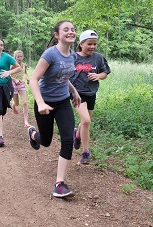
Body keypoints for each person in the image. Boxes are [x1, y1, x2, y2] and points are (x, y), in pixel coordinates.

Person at [27, 20, 81, 198]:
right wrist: (41, 103)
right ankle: (33, 134)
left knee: (67, 139)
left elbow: (64, 78)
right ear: (57, 35)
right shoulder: (50, 54)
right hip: (44, 102)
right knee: (46, 141)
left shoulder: (72, 55)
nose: (71, 32)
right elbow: (34, 79)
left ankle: (59, 184)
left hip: (63, 102)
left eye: (72, 29)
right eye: (66, 29)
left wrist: (74, 91)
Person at [70, 30, 111, 164]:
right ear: (81, 44)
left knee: (85, 122)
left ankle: (77, 135)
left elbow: (105, 72)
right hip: (77, 93)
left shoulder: (98, 58)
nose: (92, 47)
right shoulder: (72, 57)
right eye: (89, 44)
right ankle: (85, 152)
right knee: (86, 121)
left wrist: (98, 76)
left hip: (91, 93)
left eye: (95, 44)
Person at [11, 50, 31, 128]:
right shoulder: (12, 65)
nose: (19, 58)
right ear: (15, 57)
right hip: (13, 85)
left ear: (23, 56)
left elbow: (25, 72)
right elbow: (8, 75)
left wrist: (27, 78)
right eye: (18, 57)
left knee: (25, 102)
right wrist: (15, 80)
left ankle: (26, 121)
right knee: (17, 103)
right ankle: (13, 105)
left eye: (21, 56)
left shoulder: (24, 65)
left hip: (21, 84)